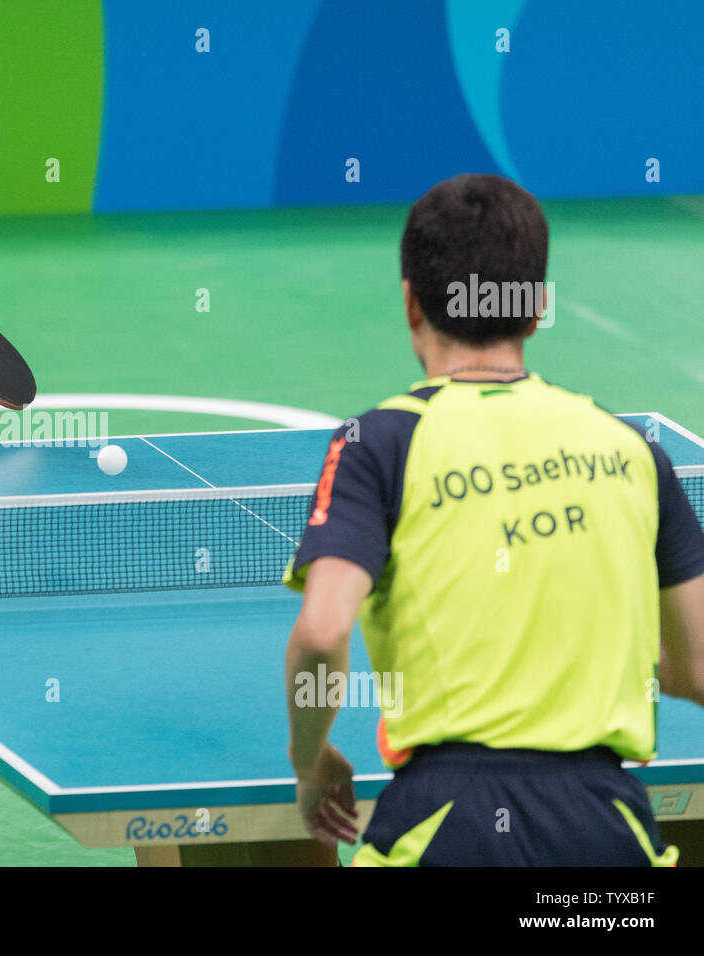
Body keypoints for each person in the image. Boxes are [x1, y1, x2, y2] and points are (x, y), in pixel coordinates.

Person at [282, 173, 704, 866]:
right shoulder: (631, 452)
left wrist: (310, 760)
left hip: (446, 823)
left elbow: (323, 632)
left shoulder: (379, 445)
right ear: (537, 309)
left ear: (411, 304)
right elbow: (695, 667)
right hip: (605, 827)